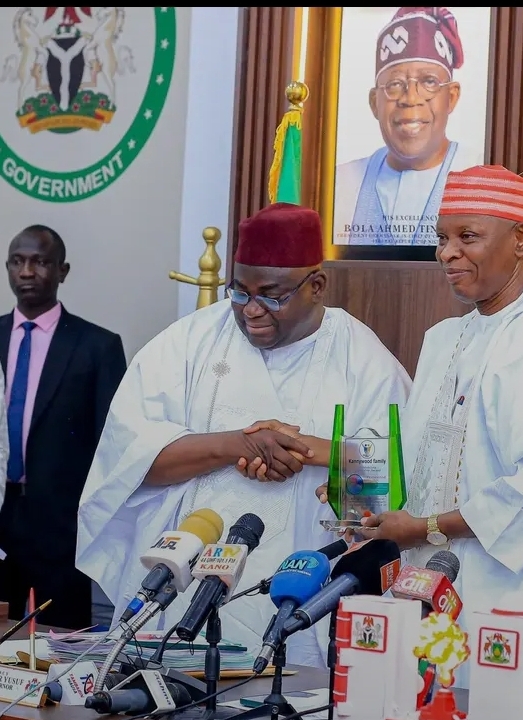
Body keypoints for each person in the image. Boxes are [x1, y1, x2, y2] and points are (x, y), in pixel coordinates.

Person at [244, 167, 523, 711]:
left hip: (515, 586)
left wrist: (422, 527)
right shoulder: (445, 338)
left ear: (521, 239)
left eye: (468, 237)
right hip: (432, 581)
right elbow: (424, 458)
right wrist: (363, 489)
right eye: (441, 237)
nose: (447, 253)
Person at [76, 203, 412, 664]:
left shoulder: (365, 364)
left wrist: (320, 458)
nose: (251, 310)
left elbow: (388, 496)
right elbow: (129, 464)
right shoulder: (187, 343)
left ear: (316, 285)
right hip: (180, 592)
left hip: (296, 603)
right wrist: (235, 444)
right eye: (239, 291)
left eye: (272, 296)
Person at [0, 224, 126, 629]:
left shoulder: (97, 346)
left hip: (61, 526)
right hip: (0, 509)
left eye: (39, 262)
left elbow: (111, 444)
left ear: (62, 270)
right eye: (17, 261)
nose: (26, 272)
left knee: (59, 642)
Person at [333, 6, 485, 246]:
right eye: (394, 84)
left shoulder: (481, 177)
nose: (411, 98)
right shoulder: (340, 185)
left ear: (451, 97)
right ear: (374, 102)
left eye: (429, 82)